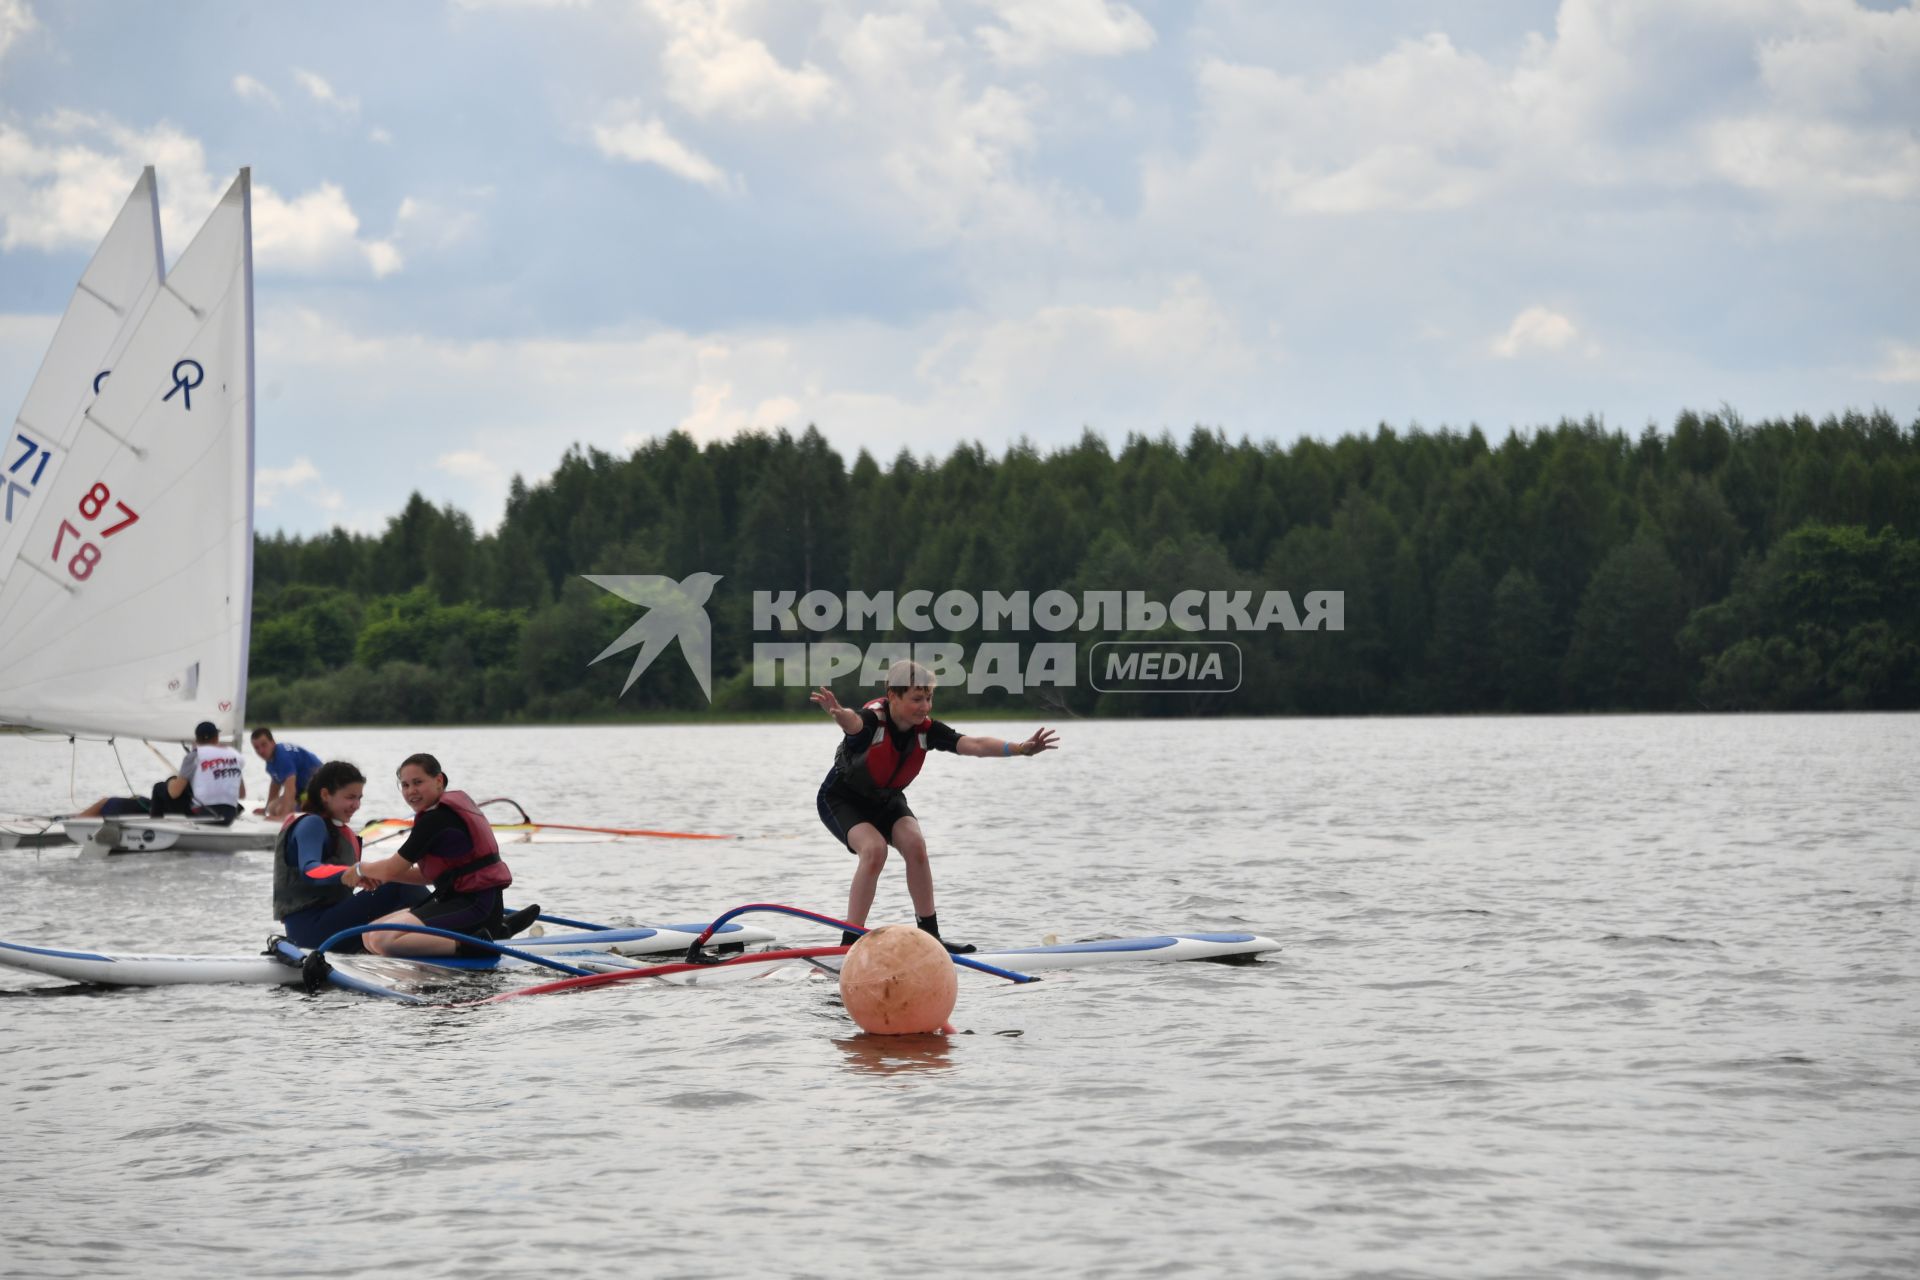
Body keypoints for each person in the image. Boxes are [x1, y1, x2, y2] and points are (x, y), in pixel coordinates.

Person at [810, 659, 1057, 954]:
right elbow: (854, 722)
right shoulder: (873, 722)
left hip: (886, 800)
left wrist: (1019, 748)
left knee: (915, 843)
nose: (925, 706)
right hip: (842, 799)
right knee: (875, 850)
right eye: (916, 699)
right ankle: (848, 944)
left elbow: (975, 745)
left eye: (928, 698)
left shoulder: (927, 731)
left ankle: (930, 937)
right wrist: (839, 714)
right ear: (892, 696)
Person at [350, 754, 533, 957]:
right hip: (457, 902)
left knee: (383, 940)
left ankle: (476, 946)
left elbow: (392, 868)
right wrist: (377, 876)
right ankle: (498, 930)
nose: (411, 791)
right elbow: (428, 876)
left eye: (418, 782)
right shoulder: (437, 814)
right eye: (405, 785)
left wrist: (359, 869)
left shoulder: (437, 819)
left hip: (476, 906)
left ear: (439, 781)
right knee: (370, 934)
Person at [273, 760, 430, 949]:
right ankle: (456, 935)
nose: (356, 805)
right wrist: (351, 872)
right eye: (350, 797)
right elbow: (310, 869)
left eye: (359, 798)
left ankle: (427, 941)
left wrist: (369, 877)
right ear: (325, 795)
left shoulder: (340, 831)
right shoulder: (311, 824)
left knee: (394, 885)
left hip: (330, 924)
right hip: (310, 932)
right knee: (399, 887)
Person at [75, 720, 246, 822]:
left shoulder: (195, 756)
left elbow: (174, 793)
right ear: (217, 738)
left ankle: (155, 823)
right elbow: (242, 794)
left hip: (200, 816)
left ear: (196, 739)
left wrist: (172, 782)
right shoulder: (234, 756)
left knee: (158, 787)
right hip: (228, 816)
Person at [251, 727, 323, 819]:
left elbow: (290, 788)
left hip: (318, 792)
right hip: (303, 792)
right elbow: (275, 785)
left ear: (272, 742)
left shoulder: (283, 757)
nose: (261, 751)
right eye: (256, 748)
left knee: (278, 809)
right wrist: (265, 810)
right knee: (271, 808)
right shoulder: (272, 760)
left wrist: (283, 816)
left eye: (264, 745)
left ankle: (301, 809)